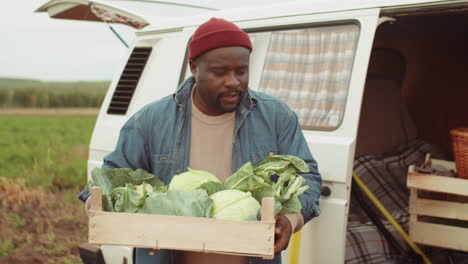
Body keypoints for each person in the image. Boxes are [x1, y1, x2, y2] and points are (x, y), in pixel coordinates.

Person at [80, 17, 321, 264]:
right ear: (194, 68)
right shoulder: (149, 122)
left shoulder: (276, 117)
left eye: (241, 71)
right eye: (220, 72)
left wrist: (290, 220)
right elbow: (107, 181)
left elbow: (308, 178)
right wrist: (123, 219)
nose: (233, 82)